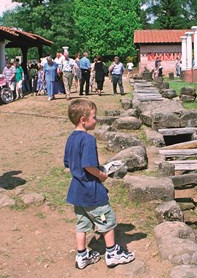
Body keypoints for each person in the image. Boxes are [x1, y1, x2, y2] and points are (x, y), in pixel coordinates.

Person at [64, 99, 136, 269]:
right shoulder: (88, 139)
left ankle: (82, 255)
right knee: (107, 220)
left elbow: (68, 162)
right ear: (83, 120)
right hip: (91, 190)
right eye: (94, 117)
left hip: (77, 190)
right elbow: (88, 165)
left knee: (82, 224)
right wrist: (101, 174)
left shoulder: (70, 138)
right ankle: (112, 253)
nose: (96, 120)